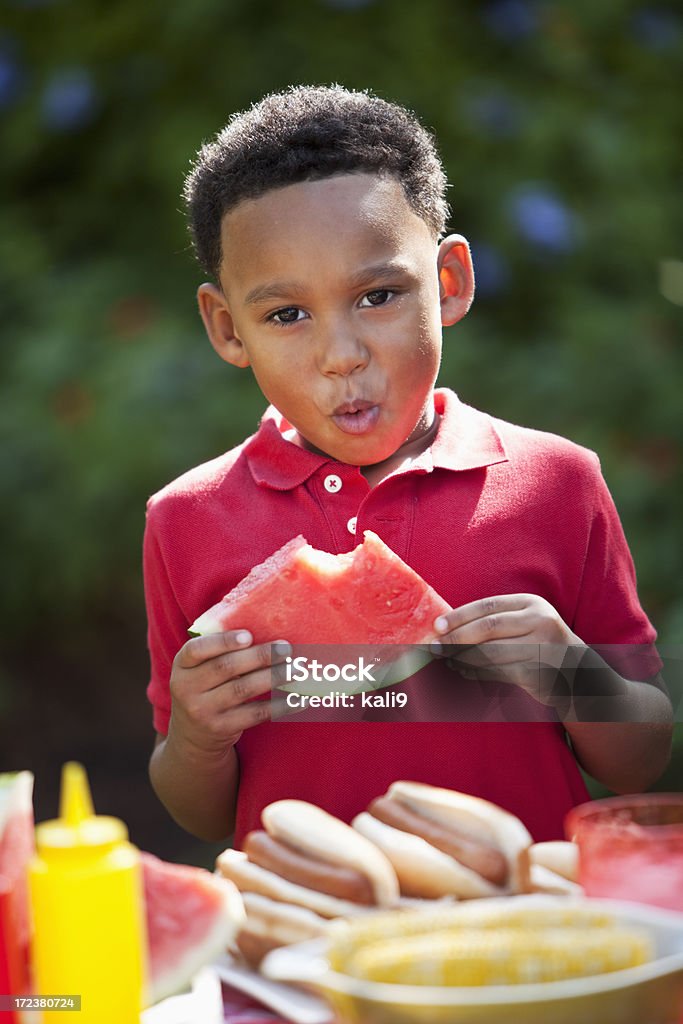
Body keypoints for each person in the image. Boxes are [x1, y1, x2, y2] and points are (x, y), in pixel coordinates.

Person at [144, 84, 673, 847]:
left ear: (449, 282)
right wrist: (196, 737)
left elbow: (641, 762)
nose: (340, 355)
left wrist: (570, 674)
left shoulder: (556, 482)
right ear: (227, 329)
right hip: (306, 948)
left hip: (525, 934)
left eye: (378, 294)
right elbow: (200, 810)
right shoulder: (184, 519)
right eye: (285, 315)